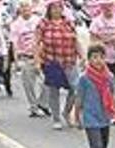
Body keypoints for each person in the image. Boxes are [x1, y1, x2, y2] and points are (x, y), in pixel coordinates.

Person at [75, 44, 115, 148]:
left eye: (101, 57)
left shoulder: (109, 77)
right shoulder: (84, 78)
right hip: (90, 117)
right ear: (89, 59)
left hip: (104, 116)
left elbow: (113, 95)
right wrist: (77, 116)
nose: (98, 60)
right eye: (94, 57)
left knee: (103, 146)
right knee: (96, 146)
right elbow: (79, 98)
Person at [36, 0, 81, 130]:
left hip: (69, 60)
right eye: (54, 8)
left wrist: (83, 56)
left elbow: (75, 40)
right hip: (52, 61)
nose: (56, 10)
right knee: (54, 90)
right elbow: (36, 42)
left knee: (76, 88)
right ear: (49, 10)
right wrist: (37, 61)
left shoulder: (68, 22)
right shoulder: (43, 24)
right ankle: (56, 118)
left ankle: (66, 112)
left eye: (59, 8)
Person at [90, 0, 115, 124]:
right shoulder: (97, 22)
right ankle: (109, 112)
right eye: (105, 7)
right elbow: (93, 39)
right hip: (103, 59)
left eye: (110, 6)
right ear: (101, 8)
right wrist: (106, 40)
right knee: (107, 86)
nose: (108, 9)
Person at [11, 0, 47, 117]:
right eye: (22, 7)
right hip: (25, 56)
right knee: (28, 84)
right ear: (19, 9)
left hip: (41, 55)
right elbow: (14, 43)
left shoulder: (38, 21)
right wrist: (16, 60)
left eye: (27, 6)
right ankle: (33, 106)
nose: (25, 9)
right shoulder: (16, 24)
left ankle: (42, 103)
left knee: (46, 82)